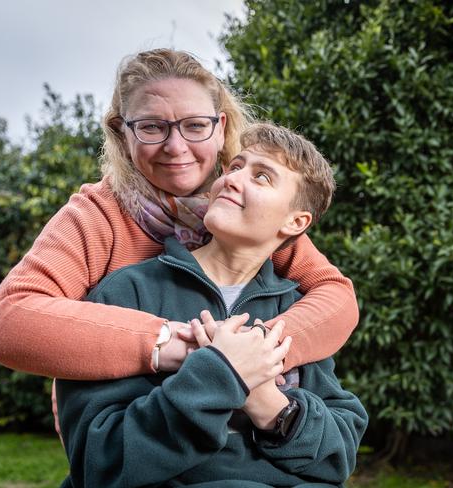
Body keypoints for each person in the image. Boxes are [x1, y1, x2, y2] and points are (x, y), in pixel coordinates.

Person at [0, 48, 359, 384]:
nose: (175, 147)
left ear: (220, 127)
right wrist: (184, 347)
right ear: (122, 134)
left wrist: (260, 350)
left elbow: (336, 297)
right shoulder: (97, 216)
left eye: (195, 125)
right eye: (151, 127)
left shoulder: (241, 211)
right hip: (122, 427)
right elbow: (9, 320)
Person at [56, 122, 368, 487]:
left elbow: (338, 454)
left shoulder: (296, 311)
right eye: (235, 167)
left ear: (295, 221)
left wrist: (269, 404)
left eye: (262, 177)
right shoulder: (128, 292)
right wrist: (221, 377)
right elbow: (100, 461)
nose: (232, 180)